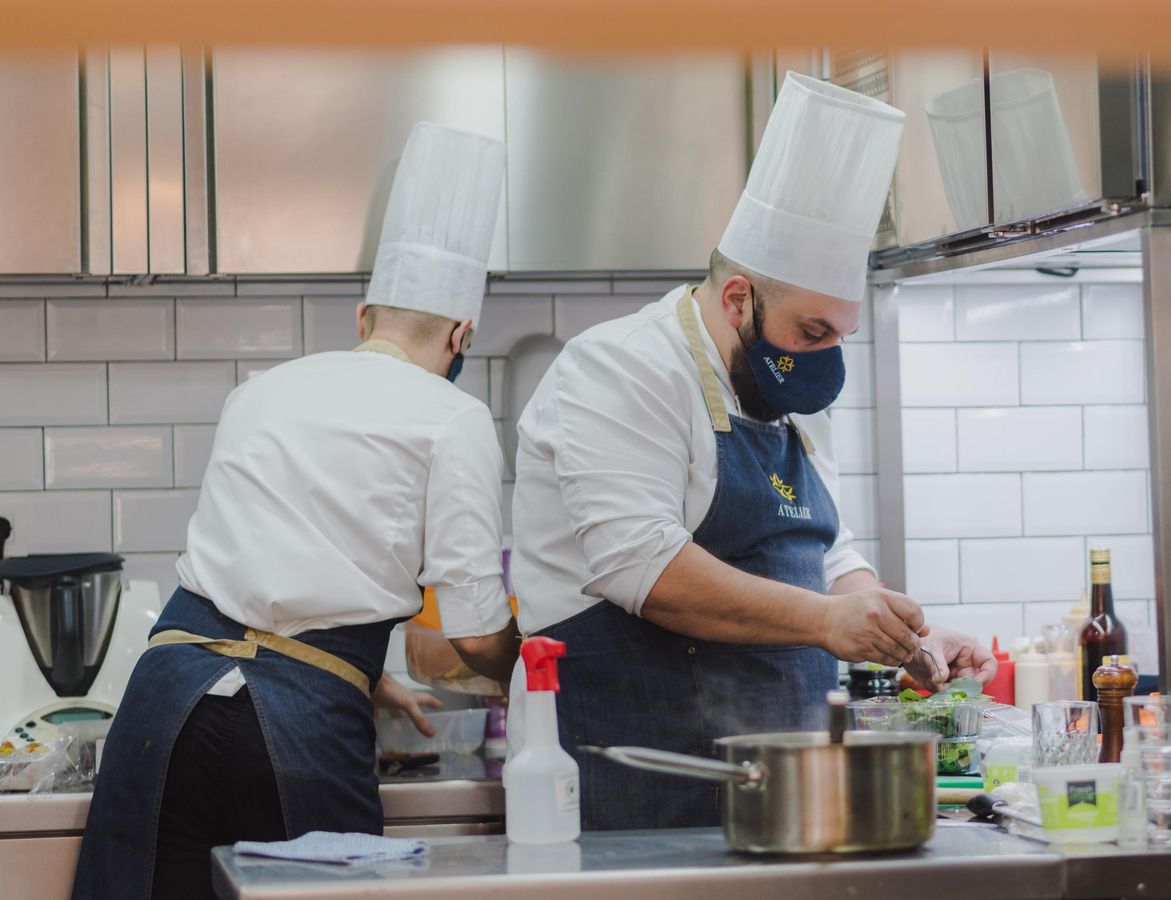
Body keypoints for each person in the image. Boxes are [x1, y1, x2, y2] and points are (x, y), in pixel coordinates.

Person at [510, 73, 997, 831]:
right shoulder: (619, 369)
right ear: (738, 299)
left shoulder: (786, 389)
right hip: (639, 765)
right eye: (811, 333)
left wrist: (906, 635)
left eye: (841, 336)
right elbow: (646, 568)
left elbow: (828, 554)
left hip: (780, 778)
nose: (824, 358)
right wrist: (828, 624)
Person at [73, 123, 521, 900]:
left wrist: (370, 678)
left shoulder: (259, 391)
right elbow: (476, 633)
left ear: (363, 318)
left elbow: (264, 594)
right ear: (463, 336)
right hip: (297, 727)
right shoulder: (453, 418)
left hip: (163, 701)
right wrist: (530, 672)